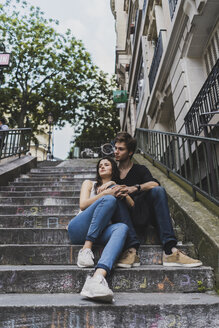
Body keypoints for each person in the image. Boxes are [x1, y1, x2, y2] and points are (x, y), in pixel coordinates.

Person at [113, 131, 202, 268]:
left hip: (143, 213)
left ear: (130, 152)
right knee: (115, 196)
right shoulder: (113, 172)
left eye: (121, 149)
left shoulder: (140, 169)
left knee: (158, 191)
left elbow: (154, 184)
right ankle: (131, 250)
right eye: (115, 148)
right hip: (124, 216)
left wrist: (134, 188)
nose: (116, 151)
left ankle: (170, 251)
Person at [67, 156, 140, 302]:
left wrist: (114, 186)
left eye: (107, 164)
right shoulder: (89, 183)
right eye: (100, 165)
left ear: (113, 169)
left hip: (101, 231)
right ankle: (86, 250)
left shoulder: (116, 187)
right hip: (79, 228)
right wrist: (104, 194)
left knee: (122, 228)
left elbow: (132, 205)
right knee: (109, 199)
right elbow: (83, 205)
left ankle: (97, 278)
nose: (102, 166)